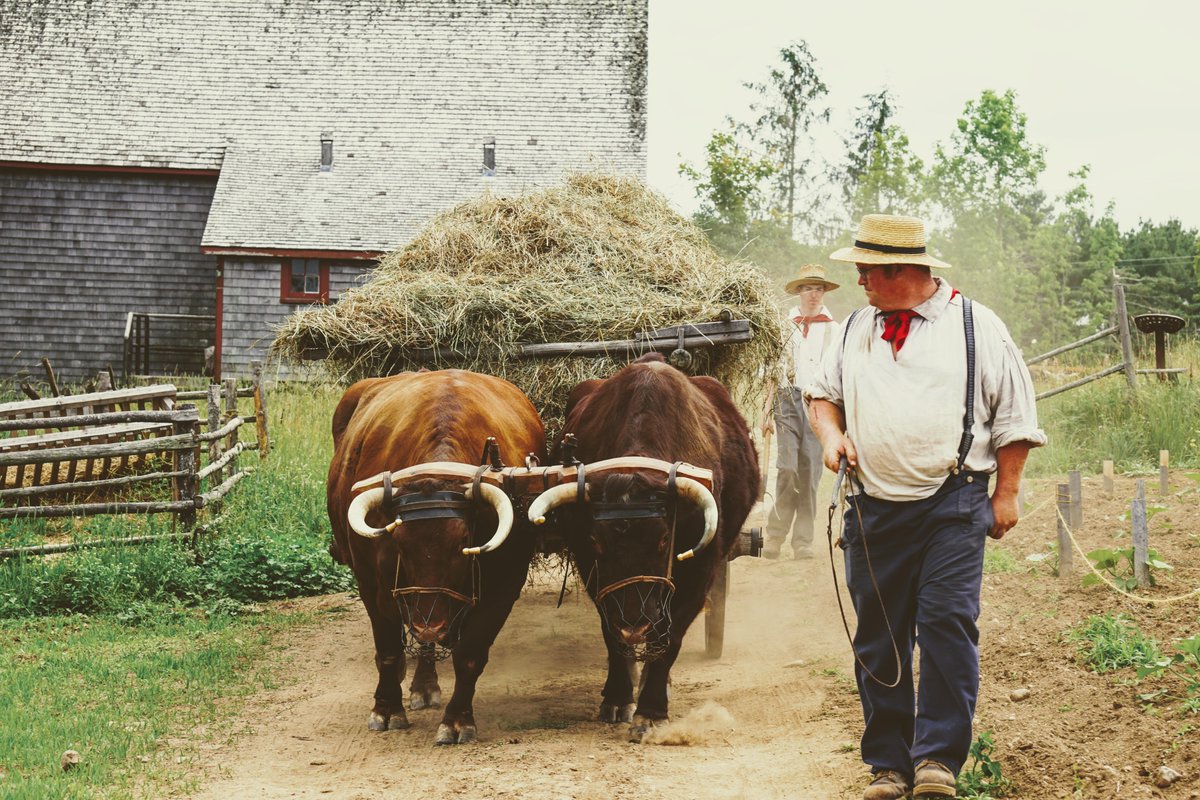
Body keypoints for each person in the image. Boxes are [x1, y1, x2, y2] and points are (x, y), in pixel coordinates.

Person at [804, 214, 1046, 800]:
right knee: (879, 638)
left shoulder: (975, 325)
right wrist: (832, 438)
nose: (858, 278)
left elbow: (1015, 415)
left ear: (901, 270)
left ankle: (936, 760)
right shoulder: (855, 327)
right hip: (873, 507)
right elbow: (821, 396)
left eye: (866, 268)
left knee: (946, 626)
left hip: (954, 502)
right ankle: (888, 764)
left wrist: (1007, 493)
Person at [760, 263, 839, 560]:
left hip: (820, 404)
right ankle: (775, 536)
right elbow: (771, 371)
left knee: (810, 474)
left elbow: (841, 376)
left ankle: (803, 541)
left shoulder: (834, 329)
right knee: (787, 468)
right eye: (807, 288)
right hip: (786, 401)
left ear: (824, 292)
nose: (813, 294)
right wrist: (766, 411)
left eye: (818, 288)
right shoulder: (783, 326)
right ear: (798, 292)